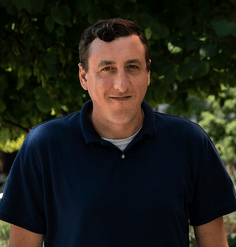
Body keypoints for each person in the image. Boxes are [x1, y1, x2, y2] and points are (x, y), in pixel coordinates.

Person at [0, 18, 236, 247]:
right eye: (107, 69)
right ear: (84, 77)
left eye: (132, 67)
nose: (121, 85)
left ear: (148, 74)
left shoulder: (190, 142)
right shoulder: (43, 146)